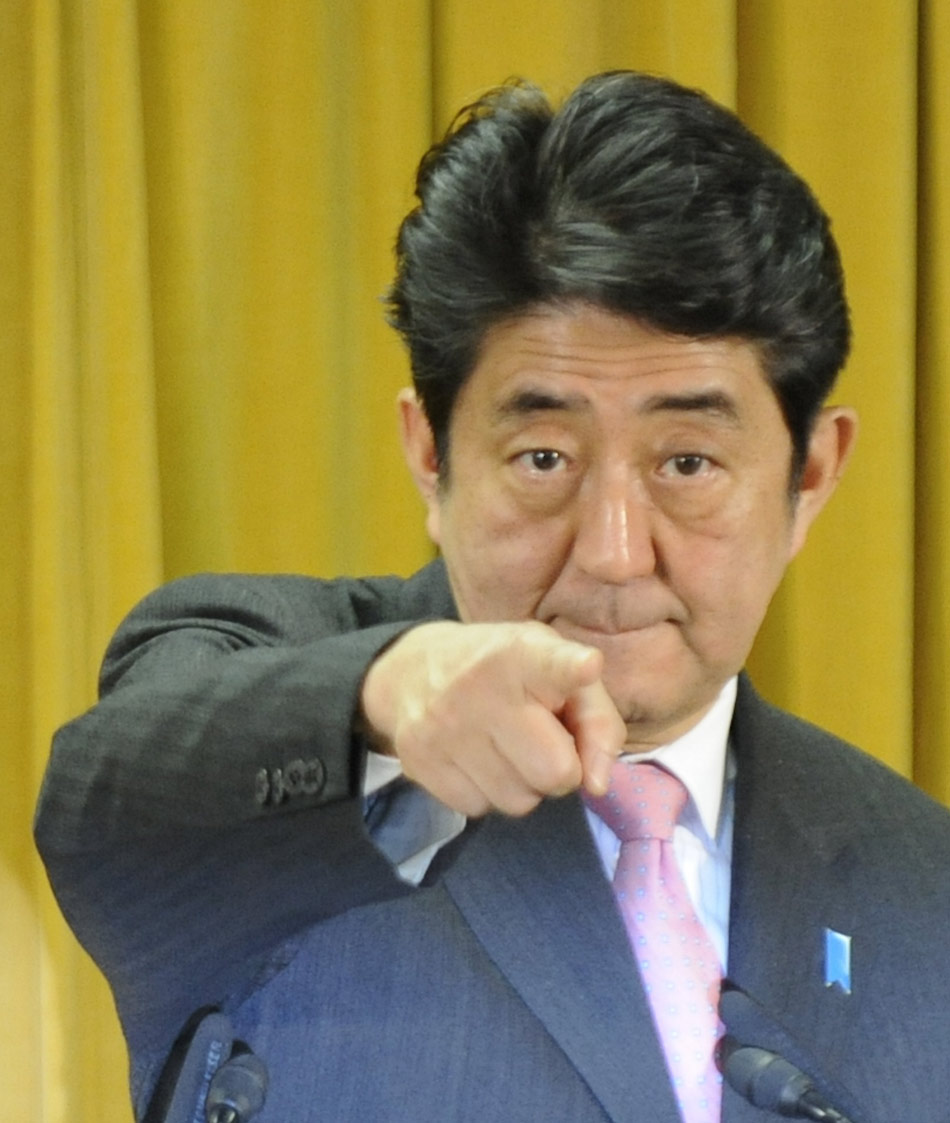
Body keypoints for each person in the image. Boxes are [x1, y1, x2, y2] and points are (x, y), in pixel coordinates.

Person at [34, 71, 950, 1123]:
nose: (612, 552)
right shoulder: (277, 679)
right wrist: (383, 708)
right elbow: (109, 799)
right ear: (430, 456)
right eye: (544, 455)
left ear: (808, 478)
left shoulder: (919, 885)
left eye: (686, 463)